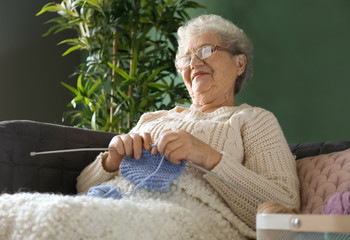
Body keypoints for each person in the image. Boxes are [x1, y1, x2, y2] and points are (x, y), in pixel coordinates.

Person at [77, 14, 300, 239]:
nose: (193, 63)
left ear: (239, 63)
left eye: (205, 51)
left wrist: (209, 157)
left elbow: (284, 208)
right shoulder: (152, 119)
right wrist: (111, 160)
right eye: (185, 58)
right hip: (110, 205)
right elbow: (81, 187)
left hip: (180, 223)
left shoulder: (254, 119)